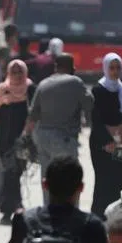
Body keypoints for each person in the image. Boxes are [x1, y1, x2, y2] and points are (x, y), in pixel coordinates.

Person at [24, 53, 94, 200]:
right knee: (69, 179)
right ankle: (69, 216)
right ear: (72, 67)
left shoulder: (44, 83)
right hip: (63, 139)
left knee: (47, 178)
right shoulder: (75, 82)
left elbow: (32, 116)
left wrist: (25, 138)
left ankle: (48, 212)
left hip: (42, 137)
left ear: (56, 67)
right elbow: (90, 104)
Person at [0, 58, 34, 223]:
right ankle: (13, 207)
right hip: (4, 139)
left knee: (14, 172)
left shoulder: (30, 89)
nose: (16, 75)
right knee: (9, 173)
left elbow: (35, 112)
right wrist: (1, 102)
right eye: (13, 71)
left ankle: (12, 208)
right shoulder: (2, 89)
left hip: (23, 139)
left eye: (19, 72)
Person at [89, 52, 122, 217]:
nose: (115, 71)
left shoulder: (121, 89)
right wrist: (106, 142)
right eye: (111, 68)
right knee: (103, 180)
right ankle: (98, 216)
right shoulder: (99, 90)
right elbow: (96, 119)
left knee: (117, 179)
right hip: (102, 143)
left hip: (118, 142)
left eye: (118, 68)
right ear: (105, 68)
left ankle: (113, 217)